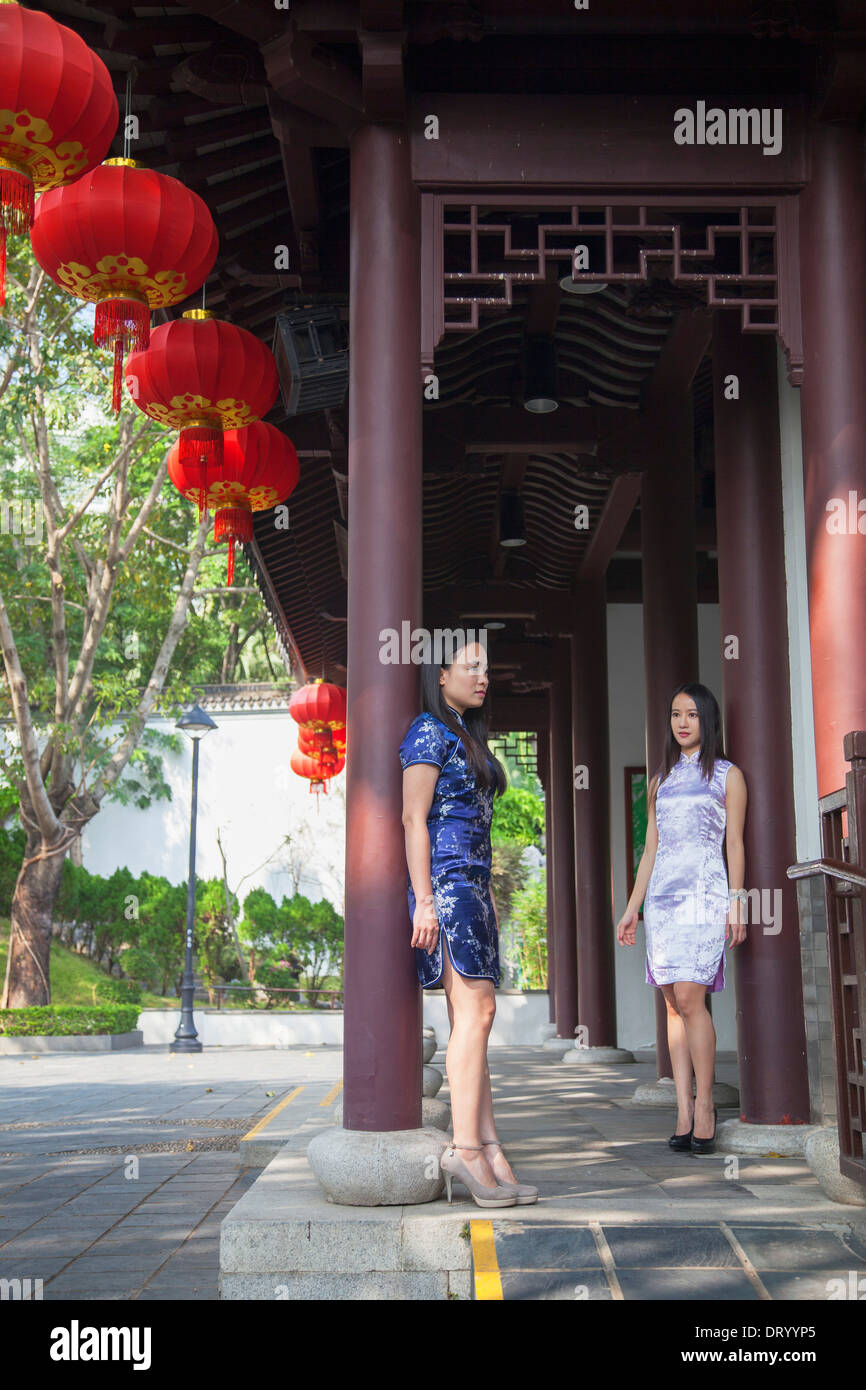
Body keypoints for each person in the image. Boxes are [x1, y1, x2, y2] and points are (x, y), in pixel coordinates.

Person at [399, 638, 537, 1207]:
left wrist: (487, 896)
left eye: (486, 666)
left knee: (477, 1014)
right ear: (441, 673)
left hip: (474, 888)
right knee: (476, 1012)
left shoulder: (463, 733)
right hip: (449, 887)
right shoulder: (429, 730)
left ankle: (487, 1143)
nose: (483, 676)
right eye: (470, 666)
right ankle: (464, 1149)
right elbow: (412, 818)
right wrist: (425, 901)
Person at [616, 682, 747, 1154]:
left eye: (692, 714)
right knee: (672, 1003)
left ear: (707, 720)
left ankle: (707, 1103)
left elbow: (735, 844)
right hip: (665, 902)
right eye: (675, 714)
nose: (683, 722)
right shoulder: (660, 780)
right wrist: (633, 908)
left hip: (705, 896)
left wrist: (739, 903)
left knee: (692, 998)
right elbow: (651, 850)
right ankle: (683, 1108)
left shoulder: (727, 775)